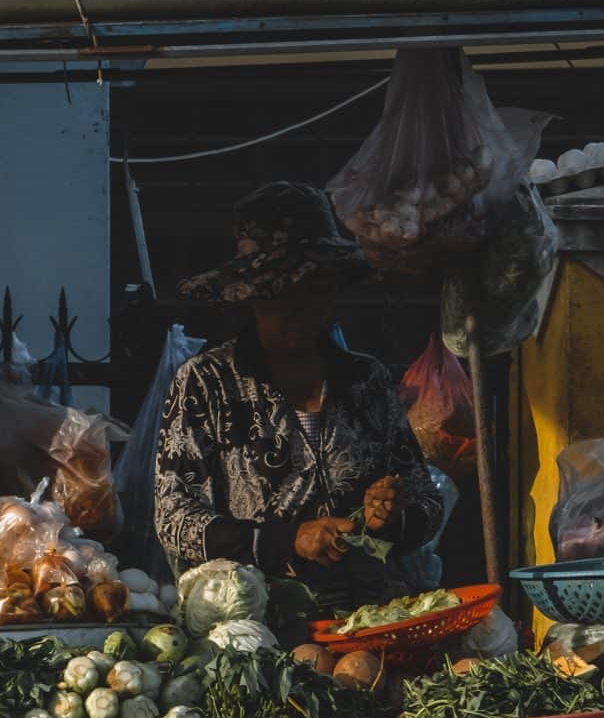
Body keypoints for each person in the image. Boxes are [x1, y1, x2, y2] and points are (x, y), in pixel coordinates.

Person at [153, 181, 443, 601]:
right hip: (256, 620)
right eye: (281, 295)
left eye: (316, 291)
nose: (300, 310)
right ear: (252, 296)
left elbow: (427, 504)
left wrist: (392, 517)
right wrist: (288, 540)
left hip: (369, 619)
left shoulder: (367, 381)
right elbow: (174, 518)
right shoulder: (207, 382)